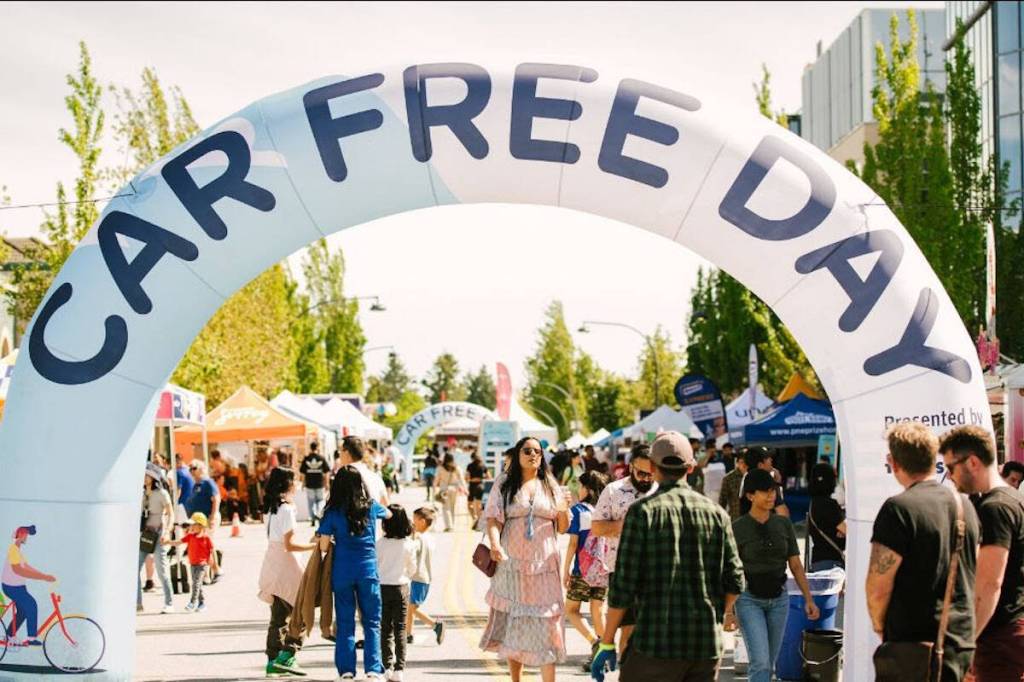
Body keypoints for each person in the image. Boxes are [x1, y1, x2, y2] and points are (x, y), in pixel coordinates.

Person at [591, 432, 744, 682]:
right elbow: (736, 580)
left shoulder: (642, 513)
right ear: (691, 467)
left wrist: (607, 642)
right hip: (704, 647)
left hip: (654, 645)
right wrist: (715, 615)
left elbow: (623, 585)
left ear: (652, 466)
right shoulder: (717, 514)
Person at [867, 423, 980, 682]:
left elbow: (878, 587)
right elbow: (974, 571)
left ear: (893, 463)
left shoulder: (899, 508)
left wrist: (881, 626)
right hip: (958, 643)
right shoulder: (964, 506)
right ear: (934, 458)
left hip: (912, 646)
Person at [480, 436, 570, 682]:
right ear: (518, 454)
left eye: (538, 451)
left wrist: (564, 508)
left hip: (545, 563)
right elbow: (493, 518)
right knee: (516, 621)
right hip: (513, 563)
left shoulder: (550, 483)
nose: (533, 455)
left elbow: (562, 527)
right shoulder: (505, 483)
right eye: (527, 450)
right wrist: (496, 545)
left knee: (549, 621)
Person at [939, 426, 1024, 681]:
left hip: (999, 636)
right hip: (1002, 634)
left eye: (950, 468)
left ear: (973, 462)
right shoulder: (1006, 500)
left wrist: (964, 645)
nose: (950, 476)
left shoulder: (996, 507)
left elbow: (989, 584)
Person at [730, 469, 819, 682]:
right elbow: (730, 571)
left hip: (779, 599)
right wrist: (728, 611)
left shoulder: (783, 523)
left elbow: (796, 565)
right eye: (765, 492)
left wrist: (809, 599)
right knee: (760, 662)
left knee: (769, 664)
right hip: (749, 599)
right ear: (750, 496)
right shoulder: (737, 528)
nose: (771, 496)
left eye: (773, 491)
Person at [317, 465, 392, 681]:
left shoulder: (332, 512)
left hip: (342, 571)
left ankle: (347, 671)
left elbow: (323, 547)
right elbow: (388, 512)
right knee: (372, 622)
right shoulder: (370, 507)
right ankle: (373, 670)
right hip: (368, 571)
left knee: (345, 622)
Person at [590, 442, 657, 655]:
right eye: (642, 473)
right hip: (622, 571)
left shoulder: (661, 491)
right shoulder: (613, 491)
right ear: (631, 468)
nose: (647, 478)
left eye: (651, 473)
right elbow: (597, 527)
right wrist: (626, 524)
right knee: (627, 632)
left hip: (657, 571)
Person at [258, 467, 317, 678]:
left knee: (278, 615)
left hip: (272, 562)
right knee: (303, 610)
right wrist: (314, 547)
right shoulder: (287, 509)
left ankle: (273, 661)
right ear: (288, 484)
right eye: (296, 480)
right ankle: (288, 654)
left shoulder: (270, 508)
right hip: (286, 563)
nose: (298, 484)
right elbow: (290, 544)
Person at [564, 470, 609, 673]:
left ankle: (594, 642)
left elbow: (573, 544)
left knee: (571, 610)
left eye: (581, 486)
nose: (578, 490)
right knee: (597, 611)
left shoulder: (578, 511)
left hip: (582, 570)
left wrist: (565, 570)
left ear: (588, 489)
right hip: (603, 569)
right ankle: (606, 652)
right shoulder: (604, 511)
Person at [377, 505, 417, 682]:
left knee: (385, 628)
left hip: (382, 587)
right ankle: (400, 669)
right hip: (401, 587)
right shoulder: (408, 544)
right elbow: (413, 569)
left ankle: (387, 666)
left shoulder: (380, 544)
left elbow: (375, 566)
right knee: (400, 628)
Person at [2, 525, 56, 646]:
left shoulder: (17, 551)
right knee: (31, 605)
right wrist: (43, 577)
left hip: (18, 586)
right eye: (26, 535)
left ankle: (9, 635)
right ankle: (31, 638)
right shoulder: (13, 550)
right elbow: (19, 571)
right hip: (12, 587)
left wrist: (44, 575)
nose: (27, 537)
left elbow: (26, 567)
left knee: (23, 611)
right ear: (21, 535)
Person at [138, 465, 175, 614]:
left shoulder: (162, 493)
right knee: (135, 570)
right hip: (145, 535)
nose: (144, 478)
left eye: (146, 475)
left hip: (159, 534)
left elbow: (171, 514)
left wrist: (167, 532)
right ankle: (138, 604)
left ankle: (169, 603)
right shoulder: (139, 493)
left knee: (162, 570)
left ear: (153, 478)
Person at [406, 507, 444, 646]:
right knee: (411, 606)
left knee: (411, 608)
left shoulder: (418, 538)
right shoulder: (430, 538)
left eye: (414, 519)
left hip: (418, 577)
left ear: (422, 521)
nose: (412, 522)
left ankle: (435, 625)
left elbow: (411, 552)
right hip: (425, 578)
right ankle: (408, 633)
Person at [165, 512, 214, 613]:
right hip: (192, 564)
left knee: (196, 583)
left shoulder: (206, 538)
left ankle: (192, 602)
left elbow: (211, 550)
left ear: (200, 526)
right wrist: (168, 542)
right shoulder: (190, 536)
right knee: (198, 584)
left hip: (202, 565)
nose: (191, 526)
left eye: (193, 524)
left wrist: (212, 564)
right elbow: (179, 542)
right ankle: (202, 603)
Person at [187, 460, 223, 582]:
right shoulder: (196, 485)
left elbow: (216, 499)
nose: (191, 470)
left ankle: (215, 571)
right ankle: (207, 574)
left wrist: (212, 517)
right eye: (190, 468)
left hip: (208, 518)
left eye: (194, 468)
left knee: (205, 545)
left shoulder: (207, 482)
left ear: (201, 469)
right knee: (203, 546)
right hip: (199, 520)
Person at [807, 462, 846, 571]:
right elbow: (846, 530)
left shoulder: (813, 503)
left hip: (817, 561)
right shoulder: (829, 504)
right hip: (831, 563)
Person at [338, 436, 388, 506]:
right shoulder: (375, 477)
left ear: (347, 453)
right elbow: (385, 504)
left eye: (340, 451)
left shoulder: (343, 477)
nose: (339, 455)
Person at [739, 447, 789, 517]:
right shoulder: (764, 482)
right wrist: (777, 484)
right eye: (767, 458)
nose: (771, 459)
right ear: (760, 465)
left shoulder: (746, 479)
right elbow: (783, 514)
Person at [299, 442, 330, 526]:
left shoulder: (306, 459)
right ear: (317, 447)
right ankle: (319, 515)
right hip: (320, 484)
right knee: (320, 501)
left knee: (311, 502)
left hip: (309, 484)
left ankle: (313, 518)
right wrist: (327, 483)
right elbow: (327, 472)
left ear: (310, 448)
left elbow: (303, 473)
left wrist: (303, 483)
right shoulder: (321, 458)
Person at [435, 454, 467, 532]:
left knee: (446, 508)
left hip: (444, 490)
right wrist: (465, 489)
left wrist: (435, 490)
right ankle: (452, 525)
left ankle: (449, 526)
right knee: (452, 507)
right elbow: (462, 479)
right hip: (454, 489)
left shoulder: (440, 468)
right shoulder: (456, 468)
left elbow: (436, 480)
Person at [718, 450, 748, 521]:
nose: (744, 465)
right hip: (735, 518)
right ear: (737, 463)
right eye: (742, 462)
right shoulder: (729, 478)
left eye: (747, 462)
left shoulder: (753, 475)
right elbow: (722, 500)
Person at [466, 452, 489, 529]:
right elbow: (489, 476)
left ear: (472, 458)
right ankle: (479, 522)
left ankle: (474, 518)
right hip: (480, 486)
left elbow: (467, 478)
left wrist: (472, 479)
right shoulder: (483, 466)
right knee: (478, 506)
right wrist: (481, 478)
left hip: (472, 486)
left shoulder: (469, 466)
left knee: (470, 505)